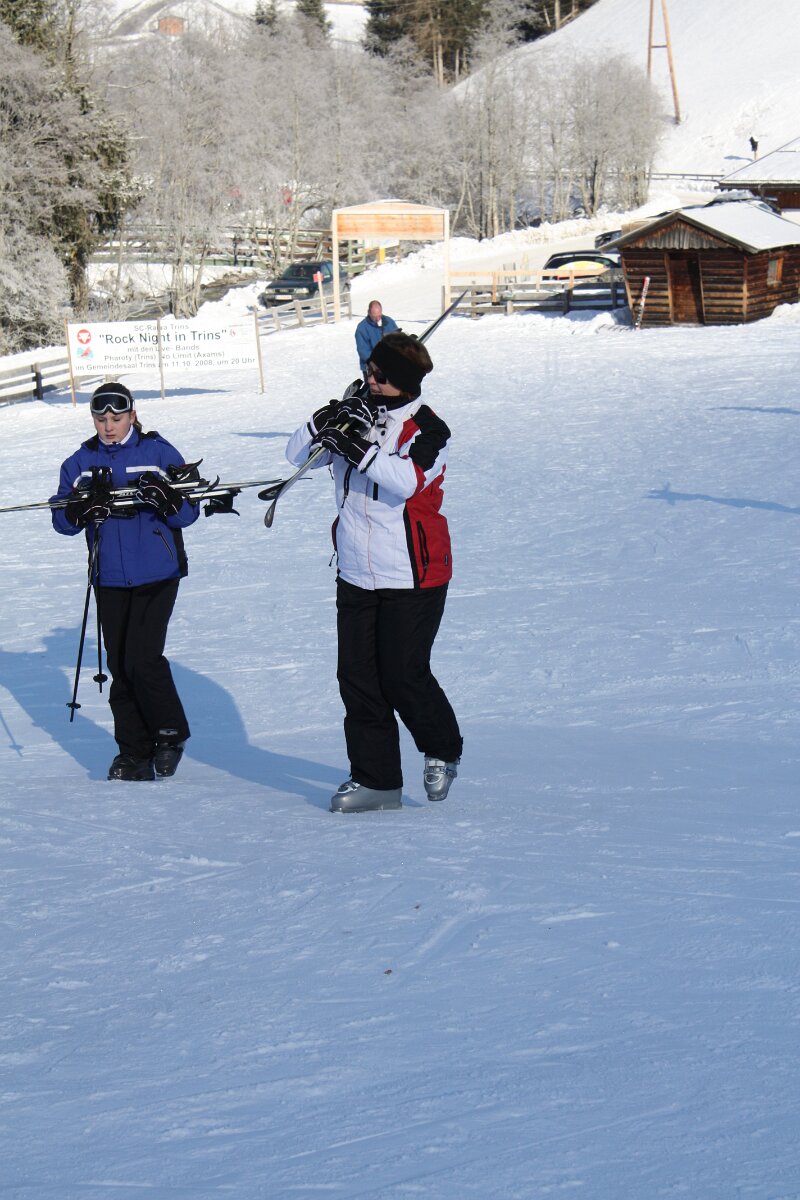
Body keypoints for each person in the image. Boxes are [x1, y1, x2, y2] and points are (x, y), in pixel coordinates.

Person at [285, 332, 463, 813]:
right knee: (357, 677)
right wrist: (325, 420)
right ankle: (377, 780)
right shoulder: (359, 412)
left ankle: (442, 747)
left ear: (404, 383)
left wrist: (355, 446)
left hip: (413, 573)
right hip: (356, 571)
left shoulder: (429, 431)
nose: (370, 379)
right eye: (369, 369)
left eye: (380, 375)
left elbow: (407, 480)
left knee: (403, 675)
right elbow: (295, 456)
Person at [51, 381, 202, 782]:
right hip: (110, 576)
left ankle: (169, 735)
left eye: (116, 418)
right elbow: (61, 519)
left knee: (142, 658)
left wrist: (169, 500)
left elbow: (188, 512)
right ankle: (133, 752)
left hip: (157, 572)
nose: (108, 426)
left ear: (132, 416)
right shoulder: (80, 463)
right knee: (119, 664)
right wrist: (80, 510)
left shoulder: (158, 453)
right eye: (101, 419)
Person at [354, 300, 398, 377]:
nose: (377, 319)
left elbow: (398, 340)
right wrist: (376, 363)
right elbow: (363, 350)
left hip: (390, 365)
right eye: (374, 317)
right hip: (372, 368)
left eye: (379, 316)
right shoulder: (362, 328)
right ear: (369, 313)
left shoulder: (389, 322)